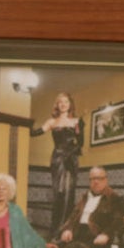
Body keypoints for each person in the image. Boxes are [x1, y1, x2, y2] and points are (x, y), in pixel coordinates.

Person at [48, 166, 124, 248]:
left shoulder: (115, 199)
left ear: (106, 180)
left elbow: (119, 222)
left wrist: (107, 234)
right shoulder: (85, 197)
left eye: (99, 178)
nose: (96, 182)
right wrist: (68, 229)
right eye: (92, 179)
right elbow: (73, 216)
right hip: (78, 234)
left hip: (96, 238)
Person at [39, 92, 84, 234]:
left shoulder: (77, 121)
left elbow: (80, 142)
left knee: (69, 193)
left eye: (66, 101)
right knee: (59, 192)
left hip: (71, 158)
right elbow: (36, 132)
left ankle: (66, 229)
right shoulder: (51, 122)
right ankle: (55, 230)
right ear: (57, 105)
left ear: (70, 104)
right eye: (60, 102)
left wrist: (70, 153)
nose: (63, 104)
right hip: (57, 158)